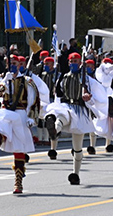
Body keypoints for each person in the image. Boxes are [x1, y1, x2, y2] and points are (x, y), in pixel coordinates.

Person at [0, 56, 41, 193]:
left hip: (20, 113)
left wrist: (31, 117)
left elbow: (34, 99)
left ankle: (18, 182)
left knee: (19, 148)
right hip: (5, 111)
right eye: (9, 63)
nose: (12, 66)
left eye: (15, 63)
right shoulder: (3, 79)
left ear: (20, 64)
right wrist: (4, 81)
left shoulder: (26, 81)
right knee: (0, 128)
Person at [46, 52, 107, 184]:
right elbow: (59, 94)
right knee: (61, 117)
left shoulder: (87, 79)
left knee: (77, 147)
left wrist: (89, 98)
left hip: (80, 110)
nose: (73, 63)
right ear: (68, 63)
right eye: (71, 61)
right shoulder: (64, 77)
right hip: (67, 106)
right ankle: (55, 130)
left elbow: (96, 95)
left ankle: (75, 173)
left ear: (80, 63)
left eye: (76, 61)